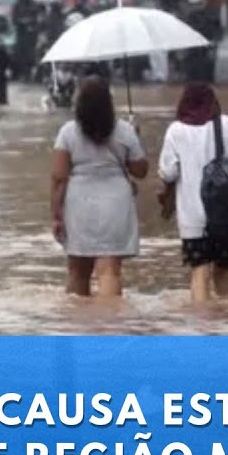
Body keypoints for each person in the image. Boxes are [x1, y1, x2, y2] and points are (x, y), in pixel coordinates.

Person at [51, 77, 149, 297]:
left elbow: (58, 178)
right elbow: (141, 171)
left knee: (77, 272)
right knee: (110, 272)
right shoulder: (124, 131)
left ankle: (77, 318)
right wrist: (136, 138)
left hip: (79, 204)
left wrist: (56, 216)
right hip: (116, 204)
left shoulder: (67, 132)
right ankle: (109, 317)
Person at [157, 82, 228, 302]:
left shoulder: (176, 130)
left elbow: (168, 173)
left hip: (192, 217)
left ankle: (200, 319)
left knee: (199, 272)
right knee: (222, 271)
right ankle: (224, 316)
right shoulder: (226, 125)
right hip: (225, 215)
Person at [12, 0, 40, 80]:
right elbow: (14, 19)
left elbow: (37, 17)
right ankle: (23, 73)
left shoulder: (34, 4)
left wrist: (31, 22)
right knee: (20, 55)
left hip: (32, 35)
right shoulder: (17, 5)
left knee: (31, 54)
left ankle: (30, 73)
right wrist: (22, 22)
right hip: (21, 34)